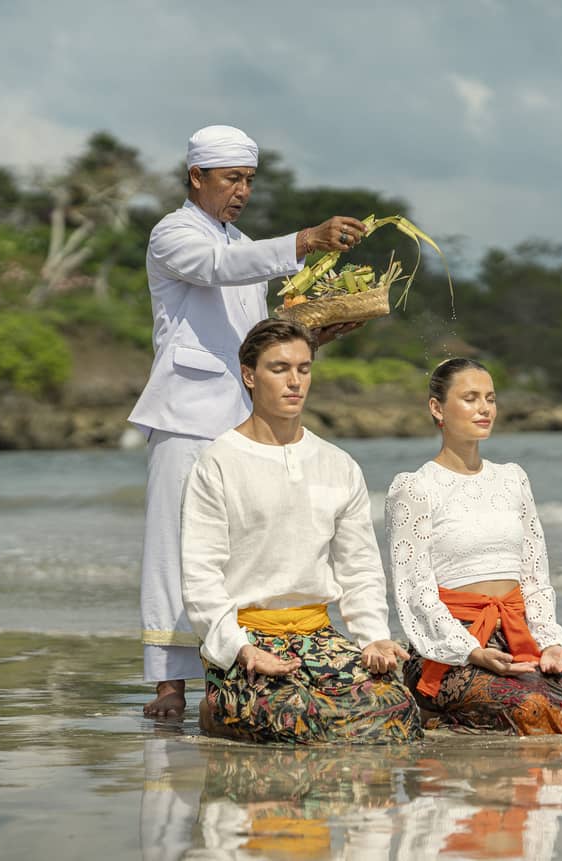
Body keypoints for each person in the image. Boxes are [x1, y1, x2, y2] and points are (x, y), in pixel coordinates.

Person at [129, 124, 368, 718]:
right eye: (231, 179)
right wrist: (307, 239)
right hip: (188, 416)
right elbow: (217, 267)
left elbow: (252, 339)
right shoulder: (174, 234)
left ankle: (229, 661)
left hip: (243, 420)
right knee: (174, 548)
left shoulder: (243, 244)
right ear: (196, 178)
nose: (241, 191)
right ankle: (167, 684)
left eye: (249, 181)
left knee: (239, 547)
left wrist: (312, 336)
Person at [179, 319, 421, 744]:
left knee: (396, 708)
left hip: (317, 634)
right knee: (295, 719)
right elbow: (200, 575)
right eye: (279, 369)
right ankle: (215, 705)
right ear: (249, 375)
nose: (295, 381)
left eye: (304, 369)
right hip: (245, 637)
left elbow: (359, 566)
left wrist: (374, 638)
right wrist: (238, 648)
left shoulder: (337, 463)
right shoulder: (217, 463)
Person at [384, 358, 562, 735]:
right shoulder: (415, 487)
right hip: (450, 646)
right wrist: (470, 650)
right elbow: (414, 590)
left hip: (515, 635)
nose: (484, 408)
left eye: (490, 398)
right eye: (469, 398)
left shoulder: (512, 478)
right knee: (531, 708)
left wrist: (549, 641)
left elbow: (534, 574)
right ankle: (439, 720)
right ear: (437, 408)